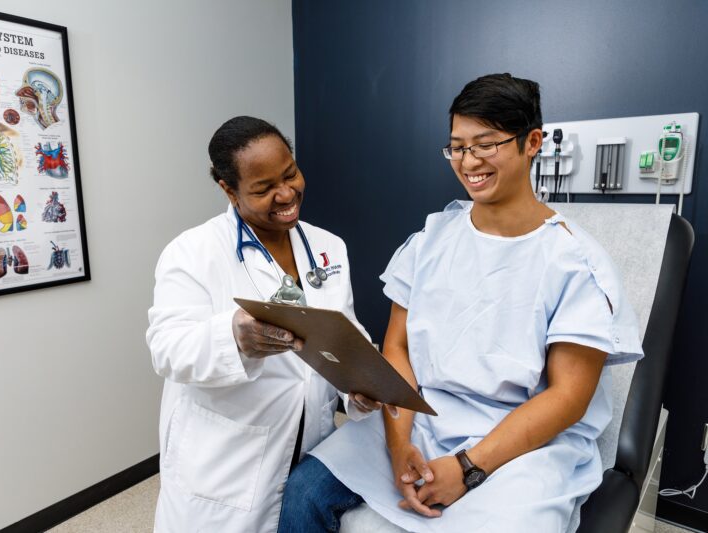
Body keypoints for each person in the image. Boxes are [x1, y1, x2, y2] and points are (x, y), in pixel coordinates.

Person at [278, 74, 644, 533]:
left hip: (524, 446)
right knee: (304, 493)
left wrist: (469, 468)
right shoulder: (430, 241)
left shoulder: (577, 264)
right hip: (423, 419)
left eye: (486, 144)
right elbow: (398, 352)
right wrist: (398, 444)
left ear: (532, 142)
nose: (469, 161)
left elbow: (568, 398)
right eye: (458, 147)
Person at [146, 116, 389, 532]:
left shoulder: (328, 247)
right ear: (228, 188)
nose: (286, 193)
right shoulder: (193, 252)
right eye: (262, 189)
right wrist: (233, 337)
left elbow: (343, 330)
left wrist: (360, 387)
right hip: (226, 461)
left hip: (307, 443)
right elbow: (166, 350)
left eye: (290, 174)